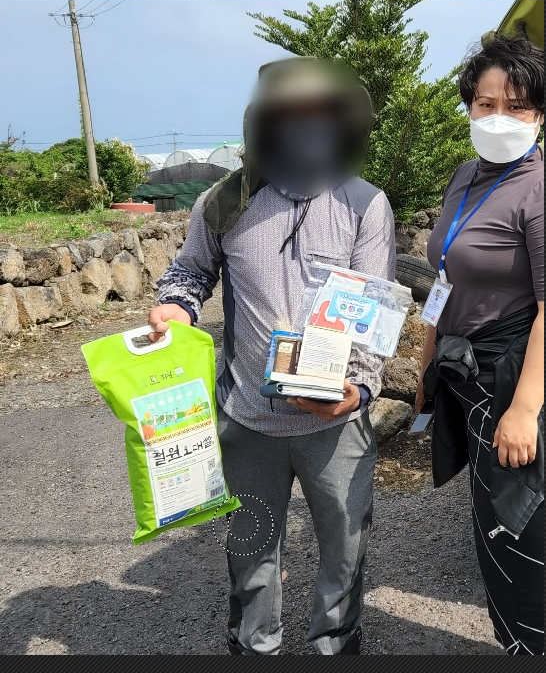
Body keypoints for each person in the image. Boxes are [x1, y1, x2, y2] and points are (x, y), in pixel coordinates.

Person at [148, 57, 396, 655]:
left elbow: (375, 310)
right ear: (262, 121)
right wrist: (175, 306)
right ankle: (254, 644)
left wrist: (359, 389)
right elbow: (190, 271)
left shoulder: (365, 204)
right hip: (248, 419)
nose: (306, 127)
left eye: (321, 114)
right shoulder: (223, 202)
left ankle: (336, 644)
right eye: (289, 115)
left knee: (346, 546)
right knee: (251, 548)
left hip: (335, 420)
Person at [416, 36, 544, 655]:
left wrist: (525, 409)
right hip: (465, 370)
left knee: (524, 523)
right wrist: (425, 361)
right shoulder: (466, 176)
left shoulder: (539, 187)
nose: (499, 118)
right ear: (468, 106)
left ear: (539, 113)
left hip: (514, 371)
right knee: (491, 522)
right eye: (486, 103)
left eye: (517, 106)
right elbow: (443, 275)